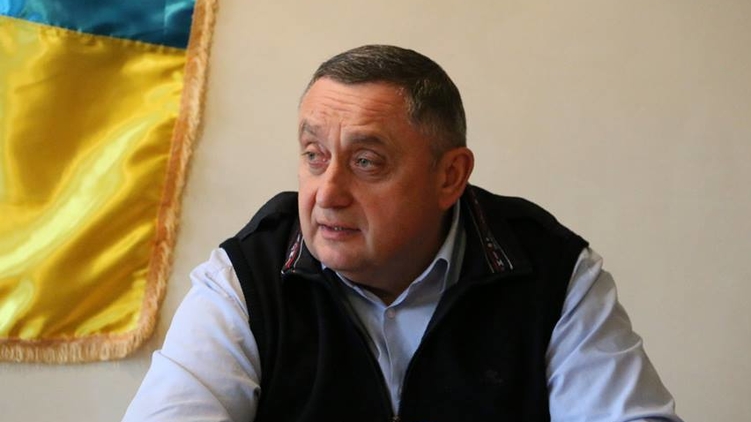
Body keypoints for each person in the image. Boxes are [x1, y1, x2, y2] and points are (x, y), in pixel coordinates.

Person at [123, 45, 683, 421]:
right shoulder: (247, 276)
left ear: (450, 176)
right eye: (314, 156)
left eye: (366, 161)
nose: (327, 193)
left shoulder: (551, 271)